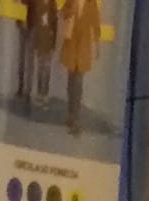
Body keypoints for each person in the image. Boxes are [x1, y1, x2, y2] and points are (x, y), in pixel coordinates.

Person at [62, 0, 102, 133]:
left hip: (83, 46)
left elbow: (96, 23)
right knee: (71, 82)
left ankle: (76, 118)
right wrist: (70, 11)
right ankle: (70, 114)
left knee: (78, 82)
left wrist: (97, 46)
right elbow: (63, 12)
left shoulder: (92, 3)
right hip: (72, 44)